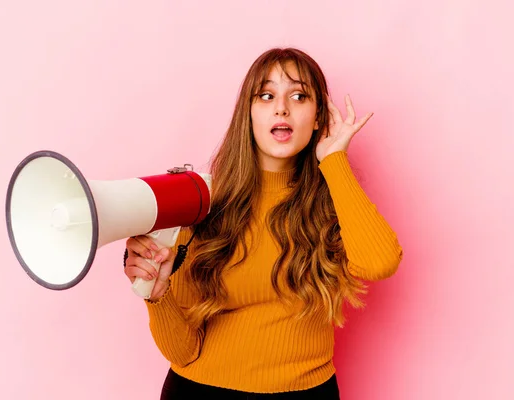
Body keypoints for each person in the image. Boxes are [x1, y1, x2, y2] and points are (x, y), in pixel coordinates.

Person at [123, 47, 403, 399]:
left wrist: (334, 160)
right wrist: (157, 295)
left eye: (299, 96)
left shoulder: (338, 201)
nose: (281, 107)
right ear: (249, 114)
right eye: (266, 95)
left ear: (319, 117)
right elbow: (183, 352)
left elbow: (380, 262)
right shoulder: (201, 203)